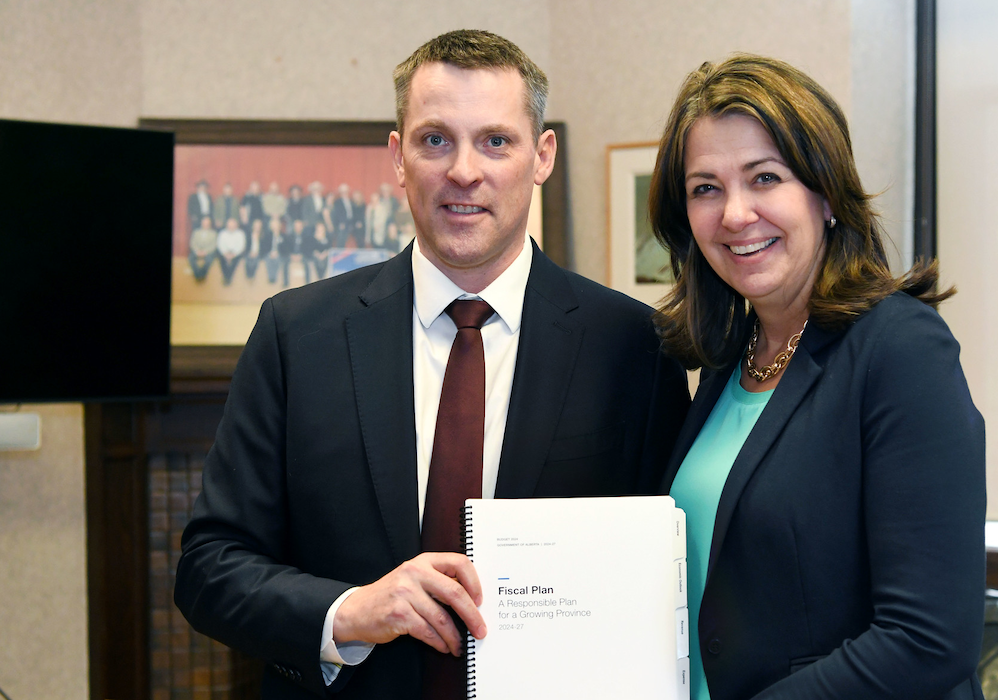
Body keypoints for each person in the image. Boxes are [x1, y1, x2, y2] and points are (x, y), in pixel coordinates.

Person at [175, 29, 690, 700]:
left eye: (495, 141)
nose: (464, 171)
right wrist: (351, 613)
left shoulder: (635, 346)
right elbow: (209, 568)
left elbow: (665, 579)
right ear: (398, 156)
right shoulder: (296, 335)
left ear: (542, 156)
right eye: (435, 140)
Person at [650, 55, 986, 700]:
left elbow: (927, 640)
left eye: (765, 177)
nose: (736, 214)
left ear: (826, 194)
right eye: (705, 188)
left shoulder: (899, 347)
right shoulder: (728, 361)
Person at [215, 216, 247, 286]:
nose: (231, 227)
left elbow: (241, 246)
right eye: (230, 225)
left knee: (236, 261)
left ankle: (229, 277)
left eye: (233, 225)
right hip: (225, 253)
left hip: (236, 253)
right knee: (221, 259)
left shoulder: (240, 233)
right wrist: (225, 254)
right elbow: (220, 245)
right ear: (227, 225)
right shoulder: (222, 233)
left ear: (236, 225)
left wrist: (233, 255)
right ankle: (226, 277)